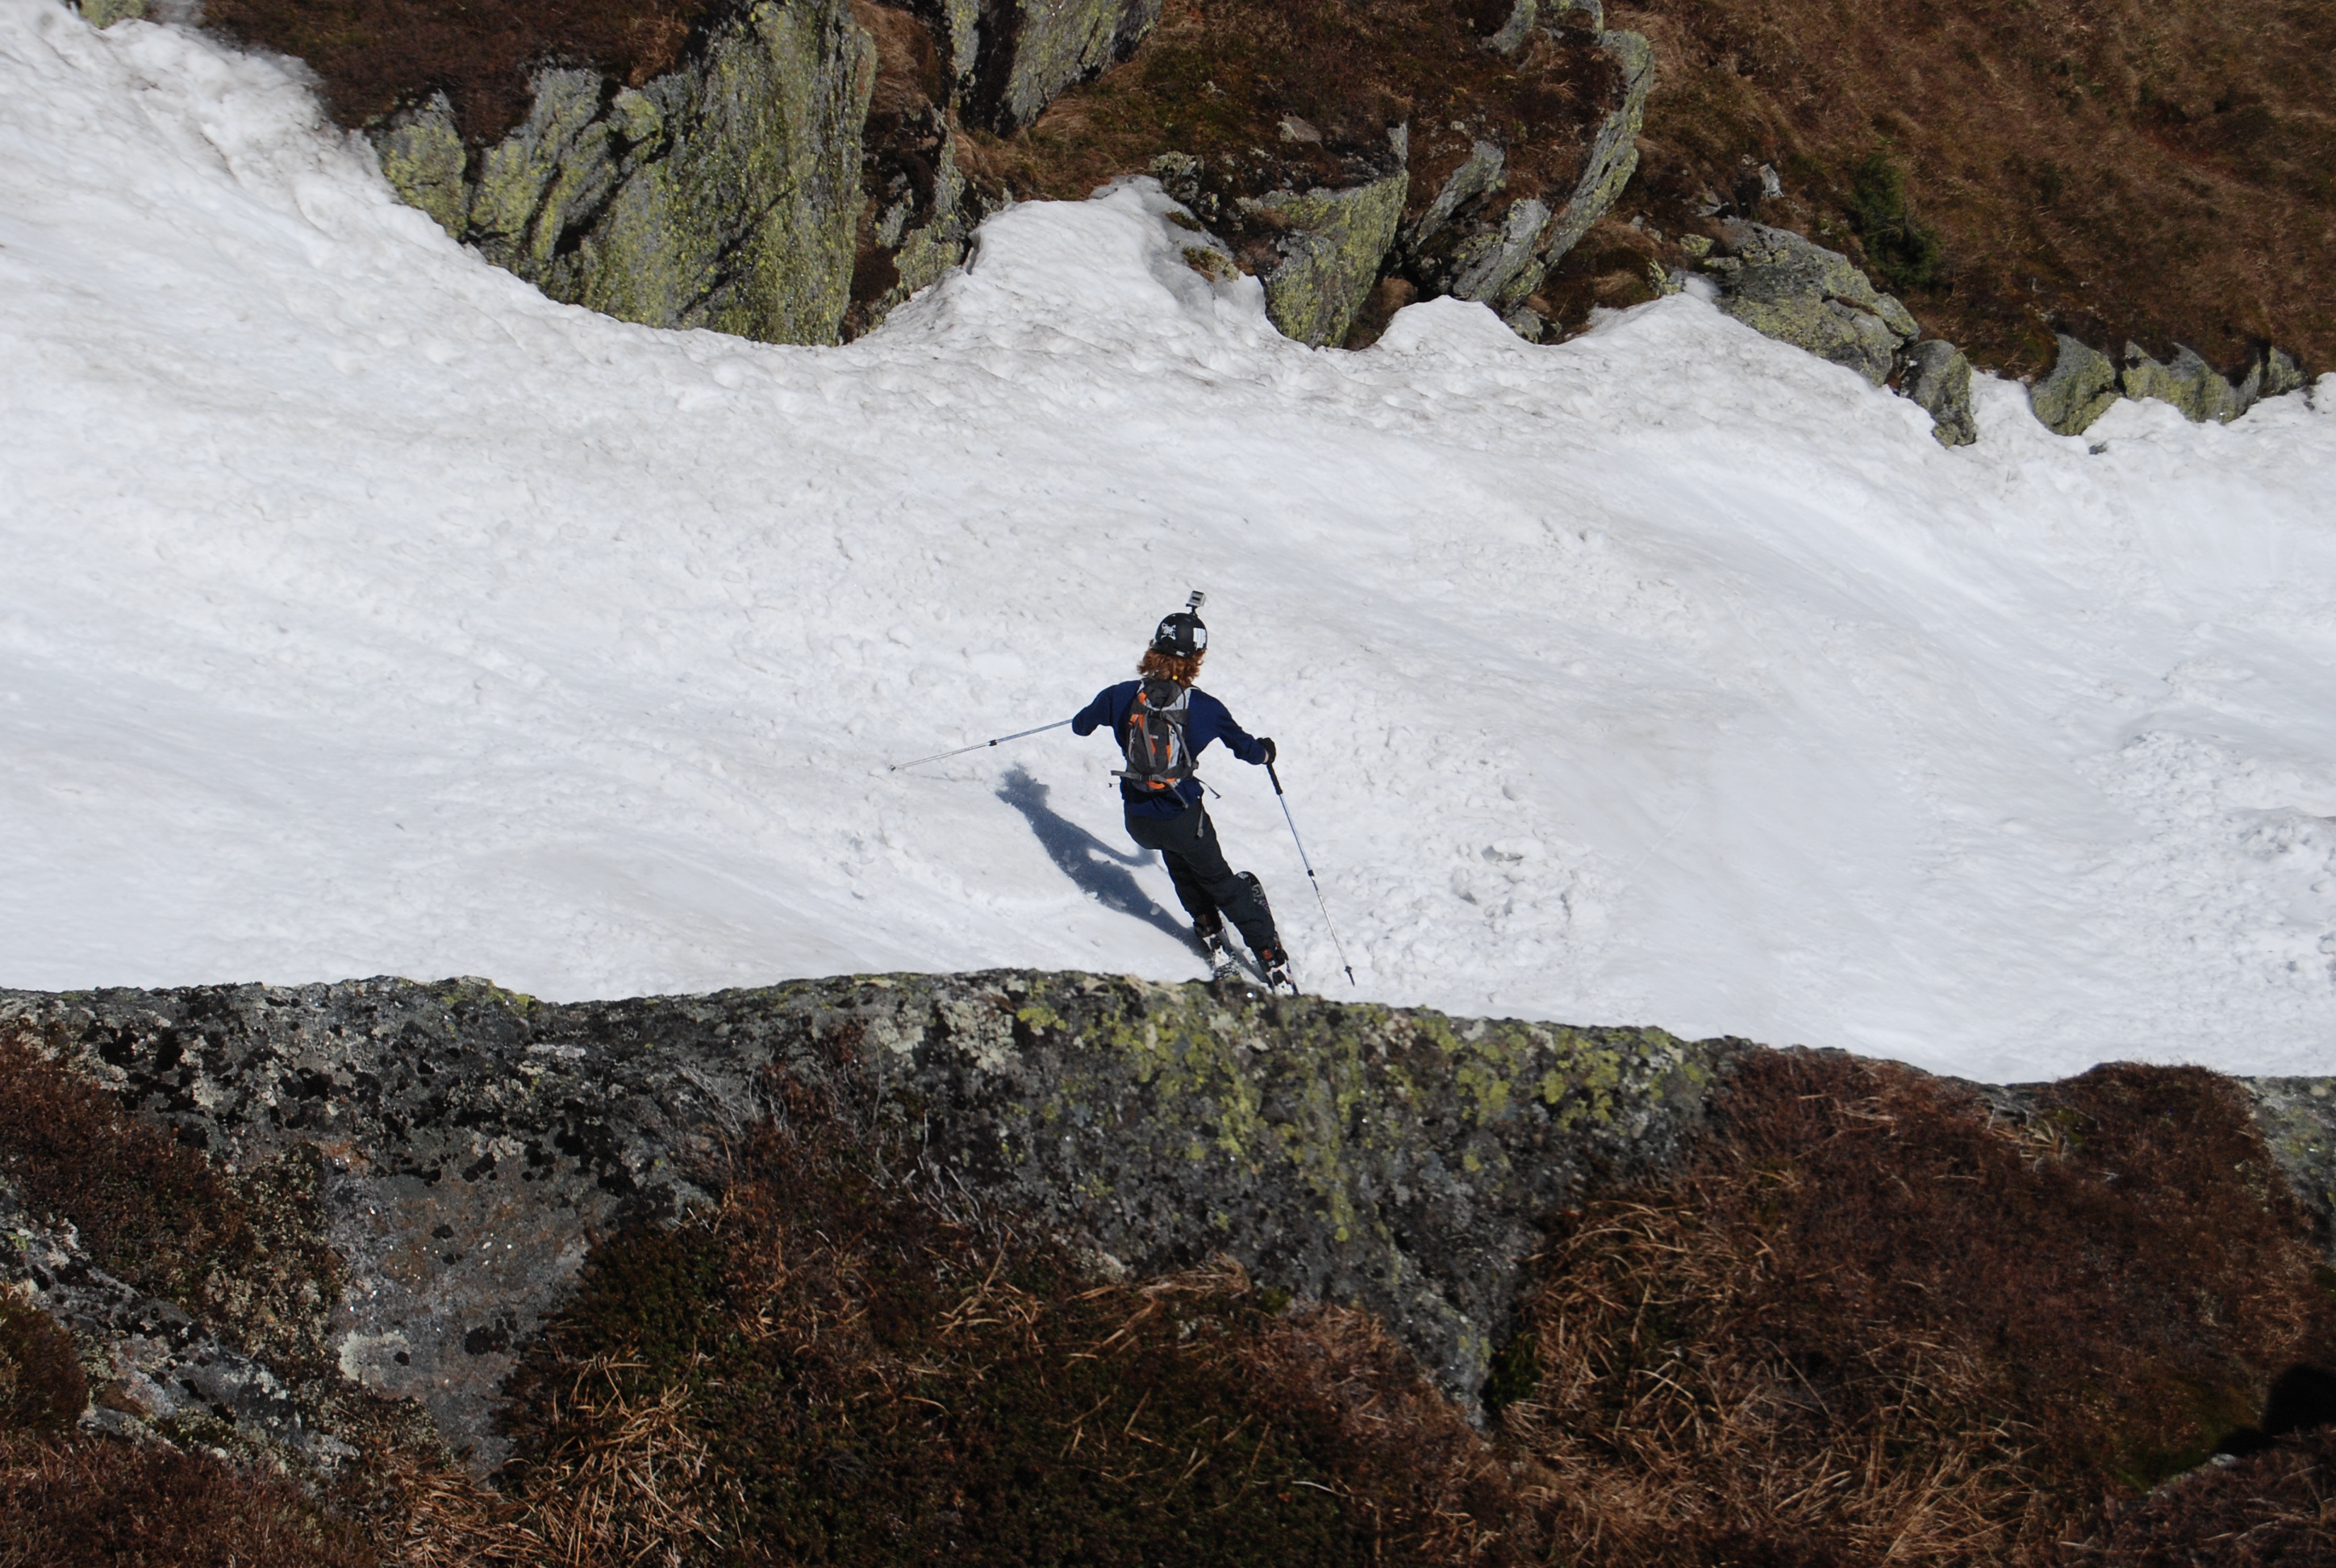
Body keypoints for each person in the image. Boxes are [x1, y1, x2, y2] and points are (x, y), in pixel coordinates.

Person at [1072, 603, 1291, 990]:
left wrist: (1105, 711)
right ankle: (1269, 955)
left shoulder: (1121, 696)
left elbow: (1079, 726)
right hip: (1183, 815)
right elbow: (1250, 753)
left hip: (1138, 821)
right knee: (1222, 881)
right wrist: (1267, 751)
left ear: (1154, 647)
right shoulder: (1205, 708)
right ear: (1198, 657)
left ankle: (1208, 929)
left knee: (1178, 861)